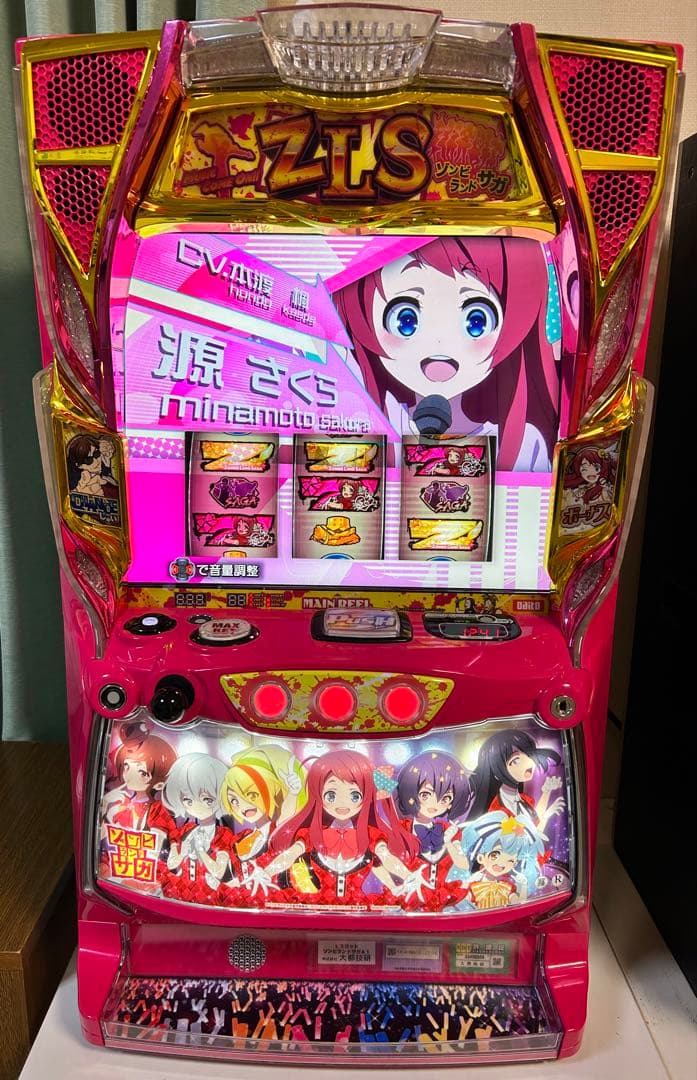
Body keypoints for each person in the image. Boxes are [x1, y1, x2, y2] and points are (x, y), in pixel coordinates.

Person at [334, 236, 558, 471]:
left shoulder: (525, 444)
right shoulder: (369, 419)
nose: (439, 343)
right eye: (406, 320)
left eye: (476, 322)